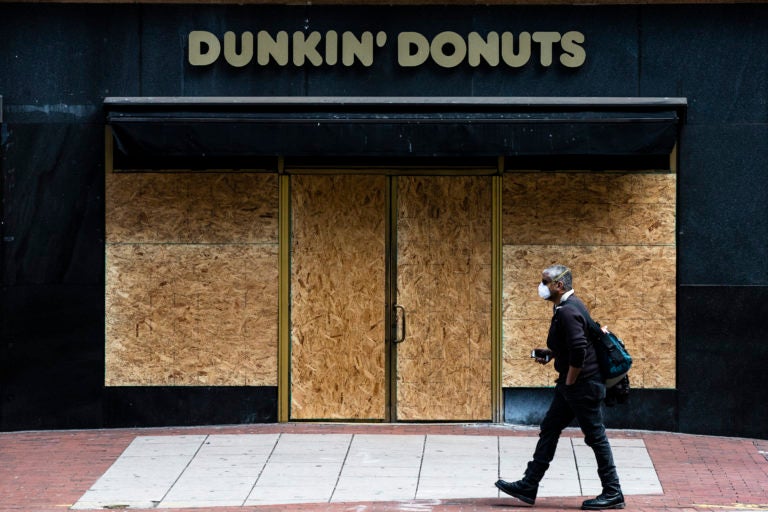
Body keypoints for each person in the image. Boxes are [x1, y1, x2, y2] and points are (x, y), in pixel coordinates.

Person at [495, 264, 624, 510]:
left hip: (582, 385)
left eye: (545, 282)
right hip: (575, 385)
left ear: (559, 285)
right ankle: (529, 484)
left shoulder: (567, 311)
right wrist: (553, 354)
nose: (541, 286)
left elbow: (579, 350)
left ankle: (613, 491)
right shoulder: (568, 306)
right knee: (550, 428)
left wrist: (570, 381)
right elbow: (575, 343)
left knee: (595, 437)